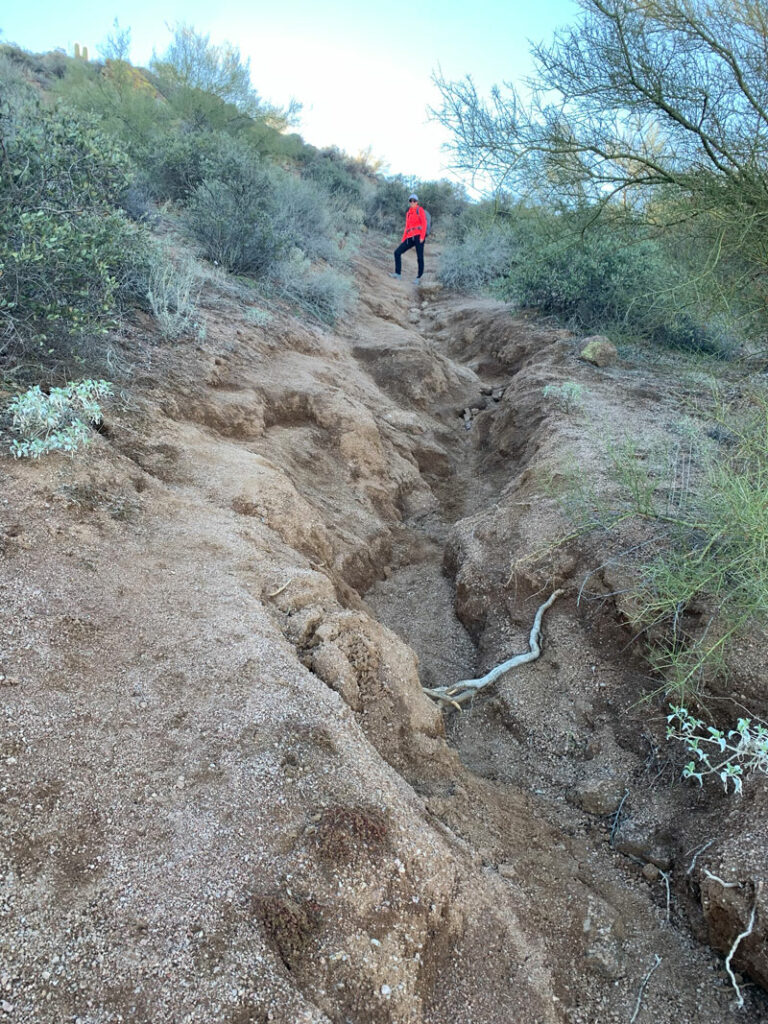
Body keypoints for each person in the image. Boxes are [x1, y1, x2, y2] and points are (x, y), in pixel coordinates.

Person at [390, 193, 427, 282]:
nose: (412, 202)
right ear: (409, 202)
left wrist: (422, 236)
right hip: (410, 237)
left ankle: (419, 277)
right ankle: (397, 274)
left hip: (418, 236)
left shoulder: (420, 210)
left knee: (420, 257)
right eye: (411, 200)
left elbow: (424, 224)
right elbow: (407, 227)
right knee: (397, 252)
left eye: (414, 201)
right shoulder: (408, 213)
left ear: (417, 202)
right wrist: (404, 239)